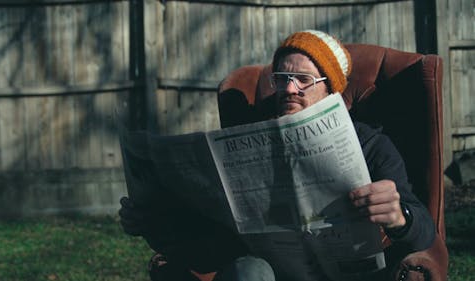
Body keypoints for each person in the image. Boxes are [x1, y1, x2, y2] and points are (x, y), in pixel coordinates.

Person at [119, 29, 436, 281]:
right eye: (281, 78)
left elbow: (424, 229)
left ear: (331, 90)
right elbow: (209, 238)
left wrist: (398, 216)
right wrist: (149, 221)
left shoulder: (371, 144)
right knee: (248, 272)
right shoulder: (247, 140)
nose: (288, 89)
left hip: (351, 271)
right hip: (271, 271)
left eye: (303, 80)